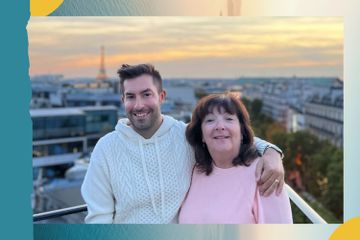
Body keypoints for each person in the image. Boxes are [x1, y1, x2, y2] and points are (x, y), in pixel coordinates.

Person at [81, 63, 285, 223]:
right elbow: (99, 219)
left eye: (146, 94)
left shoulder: (183, 135)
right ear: (122, 101)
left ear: (161, 97)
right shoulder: (106, 149)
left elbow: (223, 136)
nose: (139, 104)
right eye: (130, 97)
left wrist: (270, 151)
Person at [179, 93, 292, 223]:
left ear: (242, 131)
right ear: (202, 136)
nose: (220, 126)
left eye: (228, 119)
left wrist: (272, 152)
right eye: (210, 120)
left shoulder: (265, 174)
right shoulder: (195, 170)